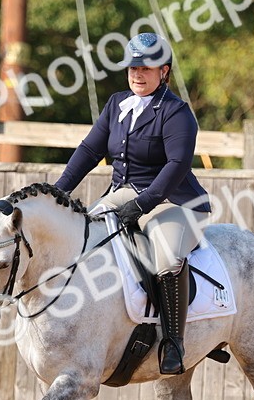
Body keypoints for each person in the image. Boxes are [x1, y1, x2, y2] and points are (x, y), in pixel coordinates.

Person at [54, 32, 211, 375]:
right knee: (82, 239)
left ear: (164, 71)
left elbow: (177, 165)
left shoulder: (176, 112)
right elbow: (89, 151)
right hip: (122, 194)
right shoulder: (117, 104)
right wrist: (59, 192)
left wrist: (143, 204)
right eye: (132, 68)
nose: (137, 74)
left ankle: (173, 341)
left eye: (146, 68)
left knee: (167, 256)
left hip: (173, 201)